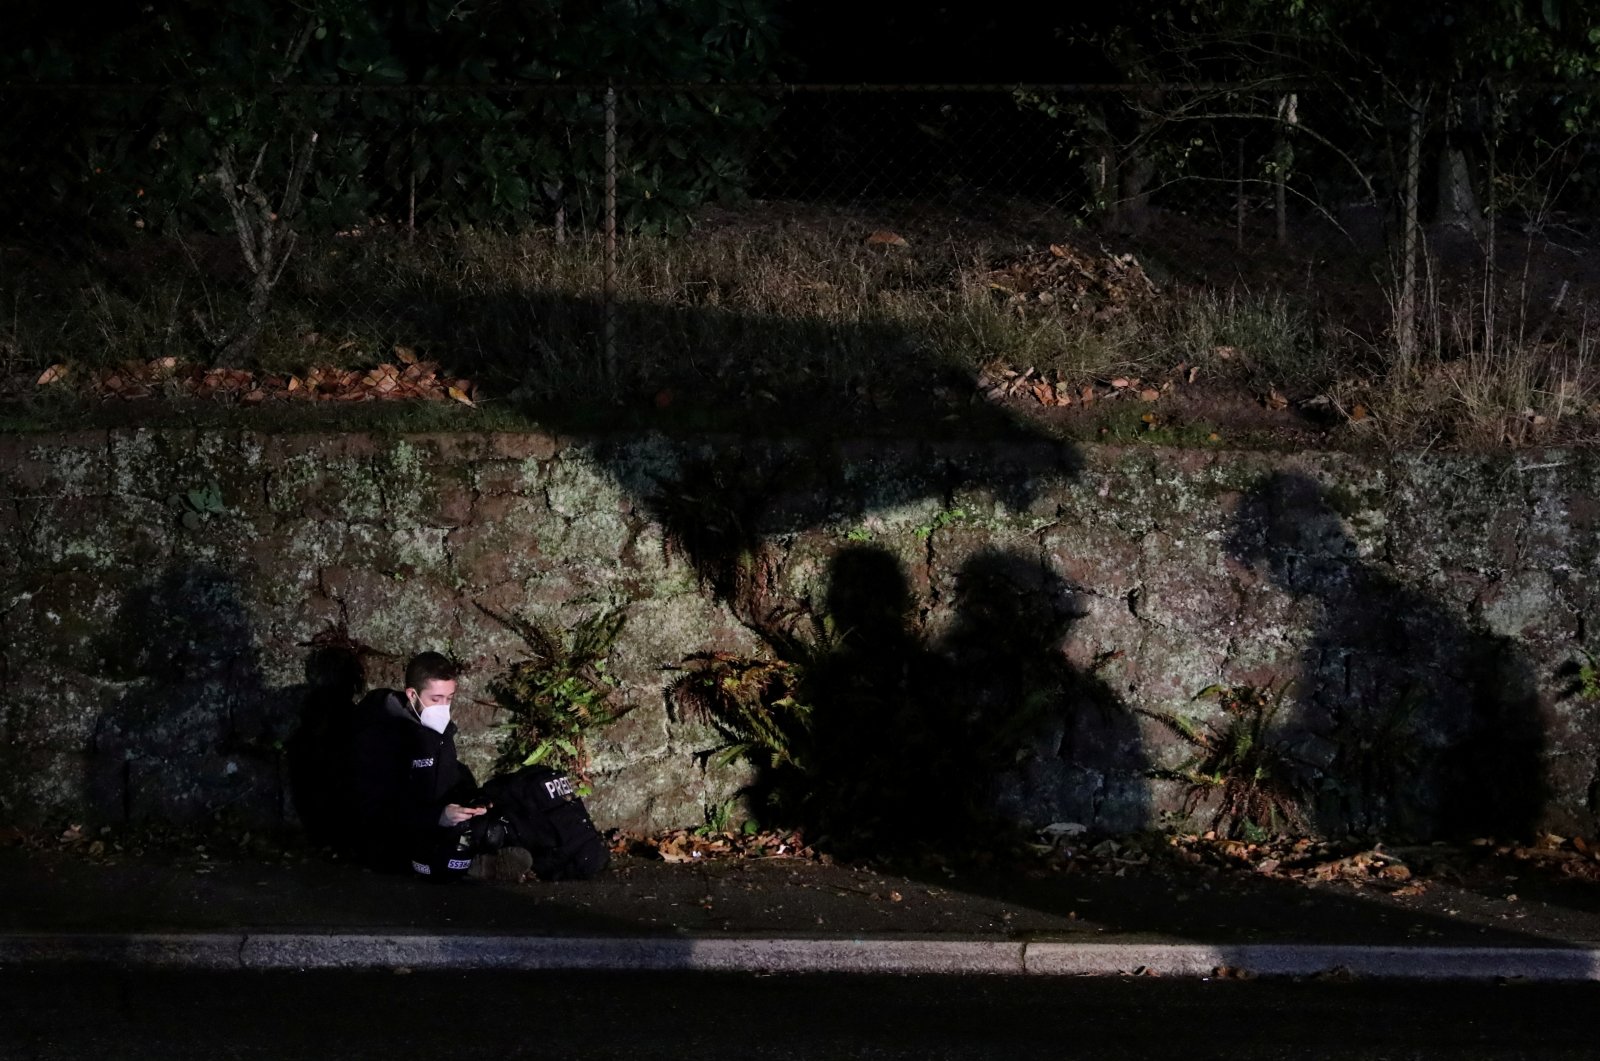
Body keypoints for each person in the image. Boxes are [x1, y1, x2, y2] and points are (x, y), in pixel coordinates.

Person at [349, 651, 521, 880]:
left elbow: (449, 779)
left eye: (449, 698)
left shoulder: (438, 732)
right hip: (393, 836)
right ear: (412, 694)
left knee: (499, 815)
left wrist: (473, 801)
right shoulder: (381, 736)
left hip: (432, 822)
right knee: (449, 845)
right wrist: (436, 816)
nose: (443, 707)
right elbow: (376, 809)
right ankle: (473, 866)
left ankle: (476, 861)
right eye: (436, 699)